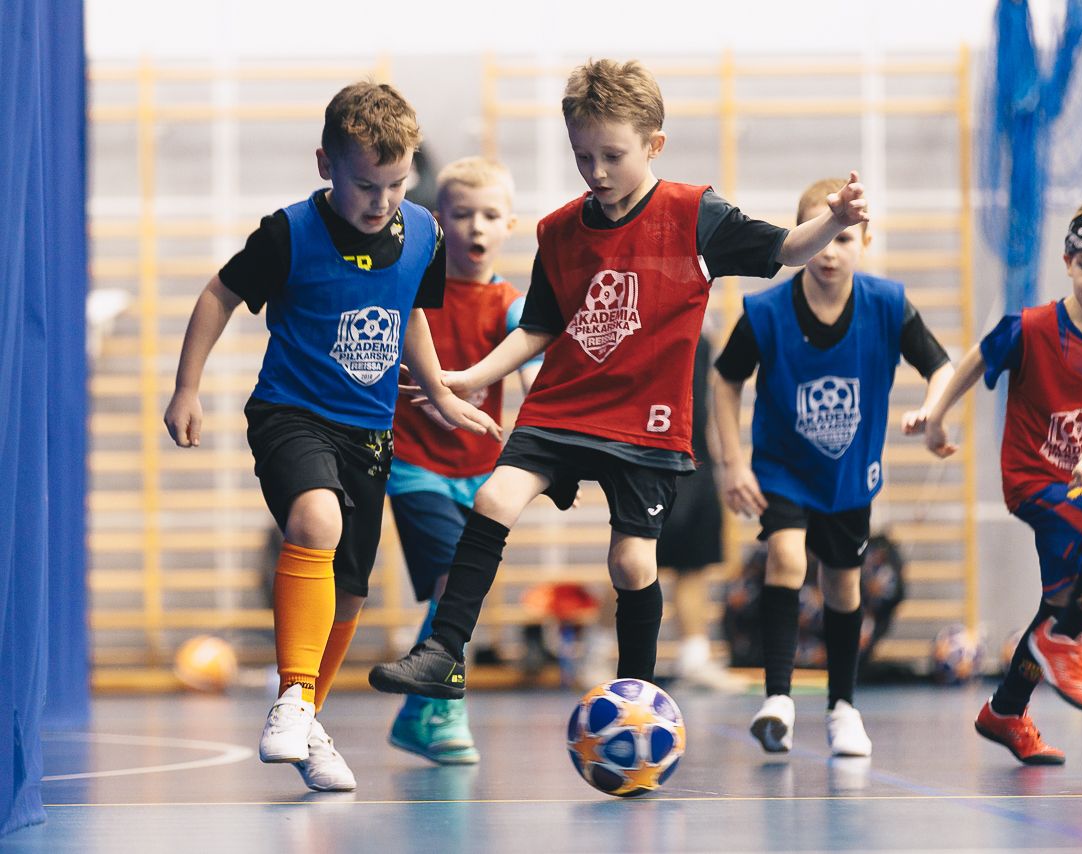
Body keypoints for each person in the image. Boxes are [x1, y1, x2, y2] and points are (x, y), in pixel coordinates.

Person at [367, 58, 868, 702]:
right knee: (494, 499)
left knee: (630, 563)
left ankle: (638, 694)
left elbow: (786, 249)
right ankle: (444, 652)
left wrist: (834, 220)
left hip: (646, 422)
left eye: (612, 156)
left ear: (654, 145)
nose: (596, 172)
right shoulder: (559, 230)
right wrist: (470, 376)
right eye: (583, 156)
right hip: (564, 405)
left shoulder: (695, 215)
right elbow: (539, 327)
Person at [163, 82, 498, 791]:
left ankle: (309, 717)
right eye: (365, 185)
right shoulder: (289, 233)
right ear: (326, 165)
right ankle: (291, 698)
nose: (382, 201)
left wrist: (439, 391)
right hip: (292, 413)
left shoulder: (424, 232)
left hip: (368, 433)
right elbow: (219, 294)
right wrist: (187, 387)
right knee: (314, 520)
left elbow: (411, 314)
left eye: (396, 184)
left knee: (348, 595)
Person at [711, 177, 953, 756]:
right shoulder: (767, 312)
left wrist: (933, 412)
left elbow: (941, 367)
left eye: (844, 238)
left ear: (864, 242)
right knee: (787, 556)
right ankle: (778, 698)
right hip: (783, 467)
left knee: (844, 584)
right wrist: (732, 464)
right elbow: (724, 380)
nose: (830, 250)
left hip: (848, 474)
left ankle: (843, 706)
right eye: (820, 235)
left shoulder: (887, 306)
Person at [925, 199, 1082, 765]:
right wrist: (936, 417)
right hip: (1032, 480)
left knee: (1058, 602)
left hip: (1081, 490)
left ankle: (1006, 709)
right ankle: (1066, 639)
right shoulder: (1030, 327)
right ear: (1068, 262)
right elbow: (975, 361)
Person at [385, 156, 541, 764]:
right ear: (440, 222)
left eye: (491, 215)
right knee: (455, 576)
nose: (477, 226)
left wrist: (551, 441)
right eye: (462, 214)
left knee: (456, 591)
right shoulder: (414, 294)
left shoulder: (510, 304)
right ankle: (445, 710)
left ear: (510, 225)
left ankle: (416, 713)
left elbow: (532, 373)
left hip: (479, 474)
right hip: (414, 466)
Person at [657, 330, 744, 691]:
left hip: (696, 456)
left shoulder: (703, 334)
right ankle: (596, 651)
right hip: (654, 454)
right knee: (636, 558)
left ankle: (694, 658)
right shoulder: (647, 321)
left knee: (693, 563)